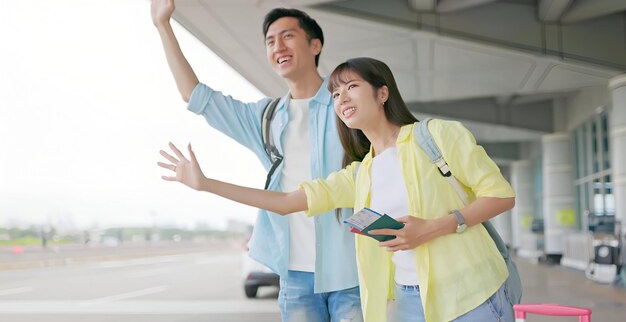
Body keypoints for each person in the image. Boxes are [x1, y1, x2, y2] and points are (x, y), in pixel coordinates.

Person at [158, 57, 516, 322]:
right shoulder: (360, 174)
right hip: (410, 301)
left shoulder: (437, 135)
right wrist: (206, 184)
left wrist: (433, 227)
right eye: (336, 92)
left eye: (352, 86)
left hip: (472, 291)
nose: (341, 96)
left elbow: (501, 194)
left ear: (382, 92)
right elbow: (285, 202)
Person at [149, 0, 362, 320]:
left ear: (315, 45)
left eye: (288, 36)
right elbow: (194, 95)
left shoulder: (347, 105)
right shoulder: (266, 117)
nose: (278, 47)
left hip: (350, 270)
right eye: (270, 41)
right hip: (293, 275)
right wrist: (163, 25)